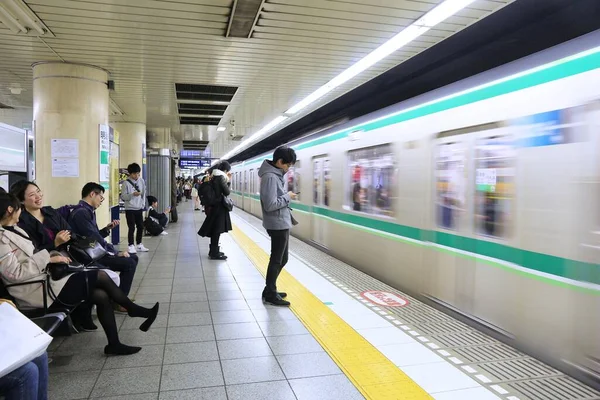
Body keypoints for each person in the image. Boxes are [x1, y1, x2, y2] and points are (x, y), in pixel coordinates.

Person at [0, 192, 159, 356]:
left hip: (46, 280)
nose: (21, 211)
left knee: (101, 295)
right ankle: (133, 310)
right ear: (10, 209)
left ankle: (114, 344)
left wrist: (52, 256)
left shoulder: (14, 229)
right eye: (19, 207)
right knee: (99, 276)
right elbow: (14, 273)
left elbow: (32, 255)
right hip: (36, 290)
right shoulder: (1, 239)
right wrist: (48, 257)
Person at [69, 183, 138, 304]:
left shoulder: (87, 211)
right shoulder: (81, 213)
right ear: (92, 194)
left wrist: (106, 229)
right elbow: (93, 239)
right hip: (89, 256)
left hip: (92, 251)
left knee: (133, 258)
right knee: (130, 263)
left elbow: (92, 237)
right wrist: (115, 253)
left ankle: (119, 296)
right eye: (101, 197)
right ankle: (119, 302)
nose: (101, 201)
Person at [258, 146, 297, 306]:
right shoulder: (270, 177)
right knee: (277, 259)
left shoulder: (275, 175)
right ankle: (270, 293)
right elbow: (270, 204)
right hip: (277, 223)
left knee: (283, 258)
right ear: (280, 162)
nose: (288, 169)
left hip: (281, 222)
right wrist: (287, 197)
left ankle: (269, 289)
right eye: (287, 165)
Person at [198, 161, 232, 260]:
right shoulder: (221, 177)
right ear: (225, 170)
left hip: (214, 206)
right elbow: (227, 192)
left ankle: (213, 251)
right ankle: (214, 253)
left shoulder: (214, 176)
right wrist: (228, 181)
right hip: (219, 207)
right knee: (217, 230)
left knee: (215, 229)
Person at [121, 163, 148, 254]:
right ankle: (131, 245)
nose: (137, 176)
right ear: (130, 173)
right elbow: (123, 197)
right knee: (131, 227)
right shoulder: (126, 183)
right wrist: (132, 195)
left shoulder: (141, 181)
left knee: (140, 226)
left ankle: (139, 244)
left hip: (139, 208)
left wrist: (143, 204)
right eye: (135, 174)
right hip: (130, 209)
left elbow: (143, 193)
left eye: (138, 173)